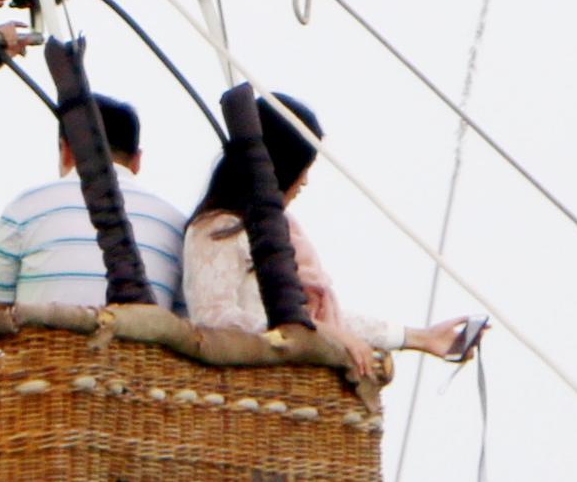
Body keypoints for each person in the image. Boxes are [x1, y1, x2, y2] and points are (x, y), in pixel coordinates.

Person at [182, 91, 484, 380]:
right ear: (279, 169)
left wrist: (419, 338)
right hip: (247, 398)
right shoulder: (215, 229)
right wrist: (309, 332)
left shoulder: (281, 234)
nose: (305, 182)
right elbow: (213, 319)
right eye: (303, 168)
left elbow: (327, 321)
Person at [0, 92, 186, 311]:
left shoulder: (25, 208)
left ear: (66, 151)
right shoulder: (176, 224)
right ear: (137, 160)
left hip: (43, 344)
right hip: (142, 343)